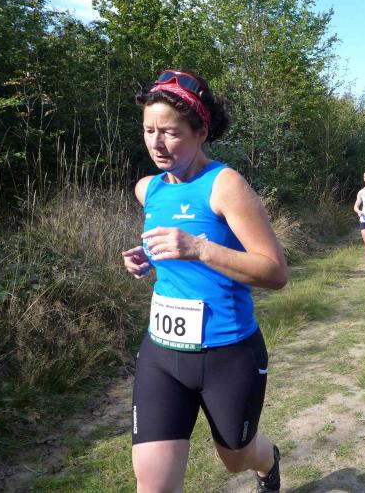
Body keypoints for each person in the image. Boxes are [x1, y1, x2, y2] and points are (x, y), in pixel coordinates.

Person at [121, 69, 288, 493]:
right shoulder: (147, 189)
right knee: (154, 483)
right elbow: (173, 248)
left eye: (171, 132)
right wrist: (148, 259)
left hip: (228, 353)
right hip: (162, 352)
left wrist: (198, 248)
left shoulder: (225, 184)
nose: (157, 143)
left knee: (236, 458)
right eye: (149, 130)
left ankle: (267, 460)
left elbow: (274, 272)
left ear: (201, 133)